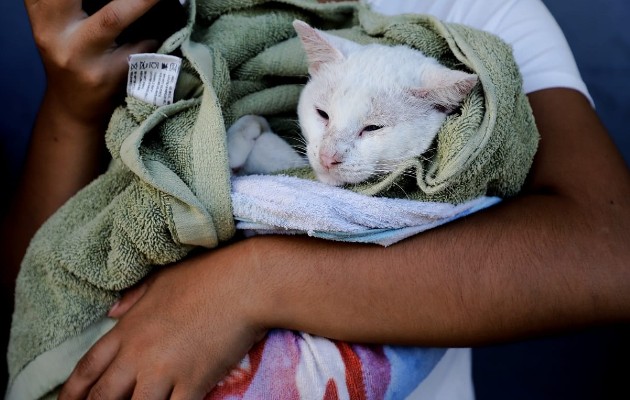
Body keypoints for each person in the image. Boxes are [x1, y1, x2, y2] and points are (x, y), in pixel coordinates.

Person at [2, 0, 628, 398]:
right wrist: (73, 105)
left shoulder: (480, 12)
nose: (325, 155)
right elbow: (34, 292)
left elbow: (609, 251)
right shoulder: (159, 12)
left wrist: (247, 285)